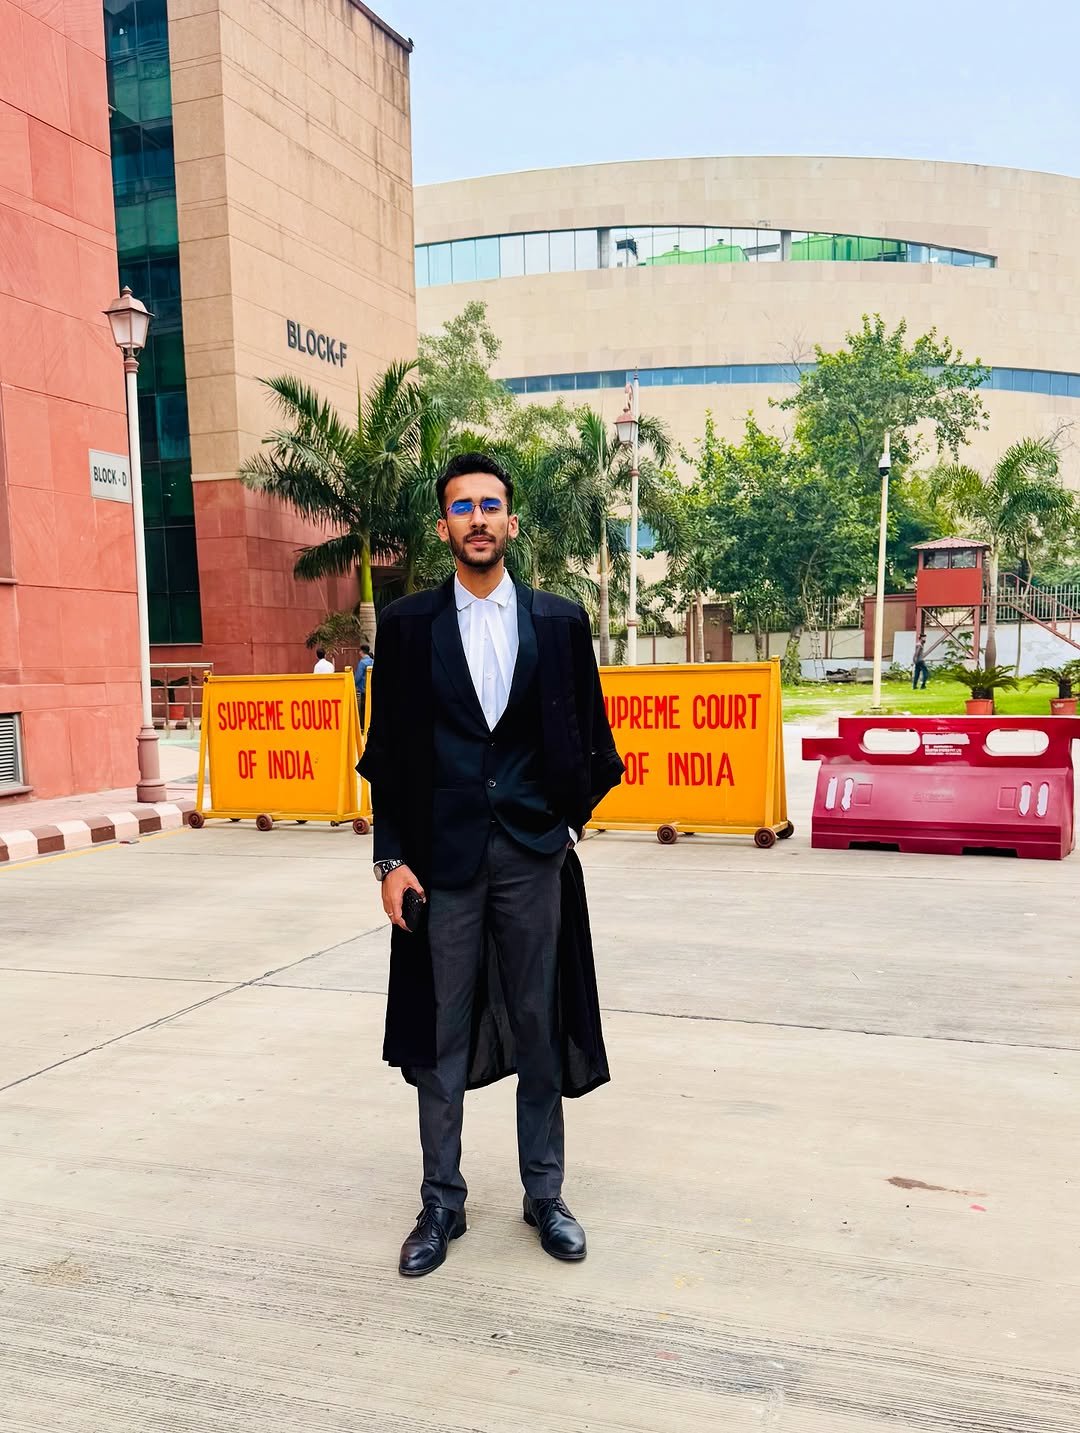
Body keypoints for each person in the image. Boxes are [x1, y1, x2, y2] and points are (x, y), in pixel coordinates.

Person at [358, 452, 624, 1279]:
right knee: (440, 1034)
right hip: (441, 862)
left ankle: (545, 1193)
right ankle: (443, 1199)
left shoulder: (558, 622)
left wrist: (564, 823)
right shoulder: (406, 628)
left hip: (531, 857)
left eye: (492, 505)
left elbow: (590, 736)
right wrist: (389, 861)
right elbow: (391, 756)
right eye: (463, 506)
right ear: (444, 526)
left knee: (540, 1023)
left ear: (511, 522)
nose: (478, 518)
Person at [354, 643, 374, 726]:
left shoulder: (362, 663)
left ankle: (362, 726)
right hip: (371, 688)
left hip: (363, 688)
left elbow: (358, 677)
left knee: (363, 708)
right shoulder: (372, 661)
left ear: (361, 651)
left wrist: (353, 684)